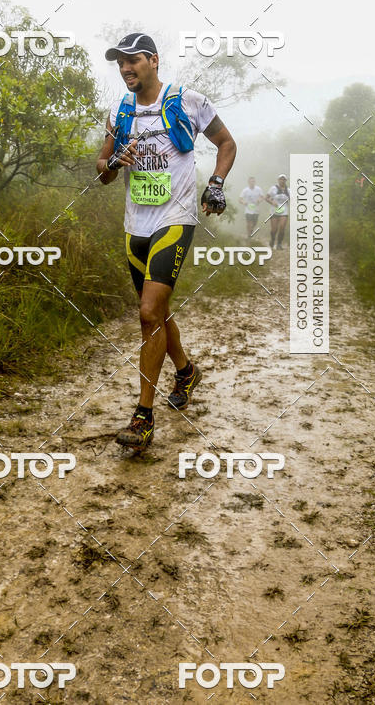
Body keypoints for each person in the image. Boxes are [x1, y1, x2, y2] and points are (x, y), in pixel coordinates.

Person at [96, 32, 236, 452]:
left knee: (147, 311)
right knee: (156, 312)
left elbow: (226, 143)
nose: (125, 69)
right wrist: (113, 161)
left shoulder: (187, 100)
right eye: (119, 63)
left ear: (153, 60)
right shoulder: (119, 111)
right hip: (135, 223)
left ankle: (143, 417)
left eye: (132, 60)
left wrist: (215, 183)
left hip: (175, 218)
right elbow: (101, 171)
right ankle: (187, 370)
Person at [266, 173, 290, 249]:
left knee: (282, 227)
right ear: (278, 180)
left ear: (286, 181)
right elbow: (266, 198)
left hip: (284, 211)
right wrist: (272, 202)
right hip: (274, 211)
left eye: (284, 179)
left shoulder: (289, 190)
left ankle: (279, 243)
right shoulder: (273, 188)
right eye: (281, 179)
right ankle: (272, 240)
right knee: (274, 229)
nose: (282, 181)